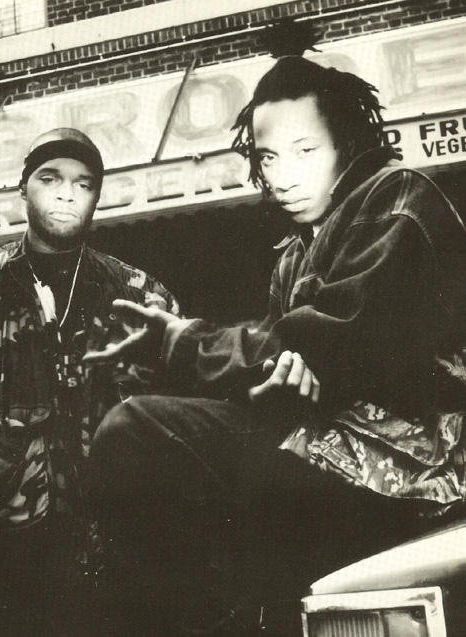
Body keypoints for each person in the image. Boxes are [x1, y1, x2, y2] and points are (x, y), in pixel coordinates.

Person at [84, 49, 466, 634]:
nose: (283, 176)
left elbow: (327, 338)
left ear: (346, 144)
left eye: (305, 151)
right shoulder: (295, 252)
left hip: (416, 476)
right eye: (268, 157)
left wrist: (184, 343)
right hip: (335, 460)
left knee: (136, 430)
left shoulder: (394, 199)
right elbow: (287, 364)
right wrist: (276, 379)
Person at [0, 128, 180, 636]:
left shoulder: (141, 297)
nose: (67, 194)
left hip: (128, 583)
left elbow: (186, 422)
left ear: (97, 197)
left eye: (83, 183)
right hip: (14, 584)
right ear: (22, 190)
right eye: (50, 178)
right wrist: (0, 486)